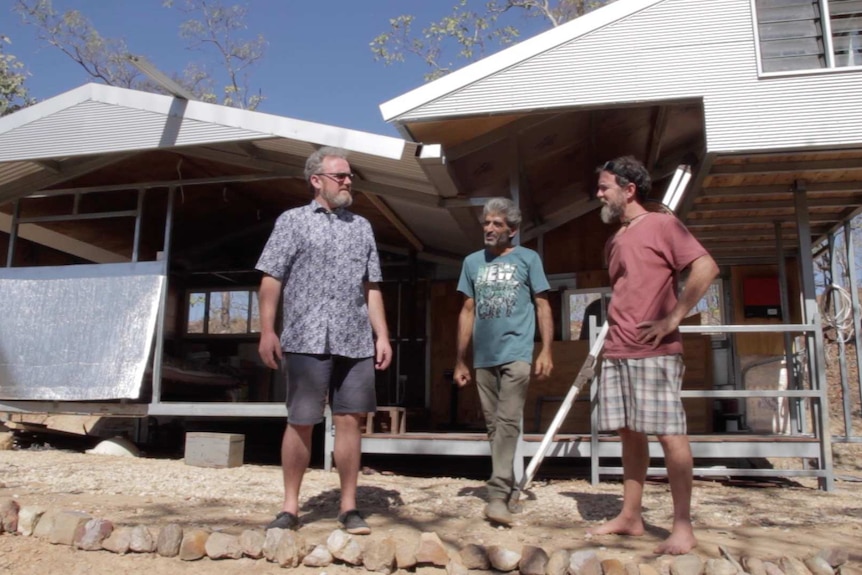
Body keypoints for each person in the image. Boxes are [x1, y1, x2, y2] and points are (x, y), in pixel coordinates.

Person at [256, 146, 392, 535]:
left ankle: (349, 507)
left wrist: (381, 335)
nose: (348, 182)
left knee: (351, 421)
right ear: (317, 180)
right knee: (301, 421)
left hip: (355, 340)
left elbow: (371, 287)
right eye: (340, 176)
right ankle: (290, 508)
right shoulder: (292, 222)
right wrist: (268, 330)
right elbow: (271, 278)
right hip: (306, 338)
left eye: (350, 176)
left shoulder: (362, 227)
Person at [589, 156, 718, 554]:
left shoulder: (662, 224)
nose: (599, 193)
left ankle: (683, 527)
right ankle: (631, 516)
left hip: (654, 350)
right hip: (618, 348)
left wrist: (674, 316)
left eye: (604, 186)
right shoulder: (616, 238)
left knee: (669, 432)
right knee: (629, 432)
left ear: (628, 190)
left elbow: (706, 267)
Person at [453, 197, 554, 526]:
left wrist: (547, 350)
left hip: (518, 353)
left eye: (497, 224)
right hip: (484, 356)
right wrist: (460, 360)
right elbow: (467, 311)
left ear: (512, 229)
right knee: (495, 426)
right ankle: (508, 490)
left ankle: (496, 496)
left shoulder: (528, 259)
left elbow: (542, 305)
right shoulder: (472, 263)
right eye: (486, 223)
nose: (490, 229)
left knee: (509, 421)